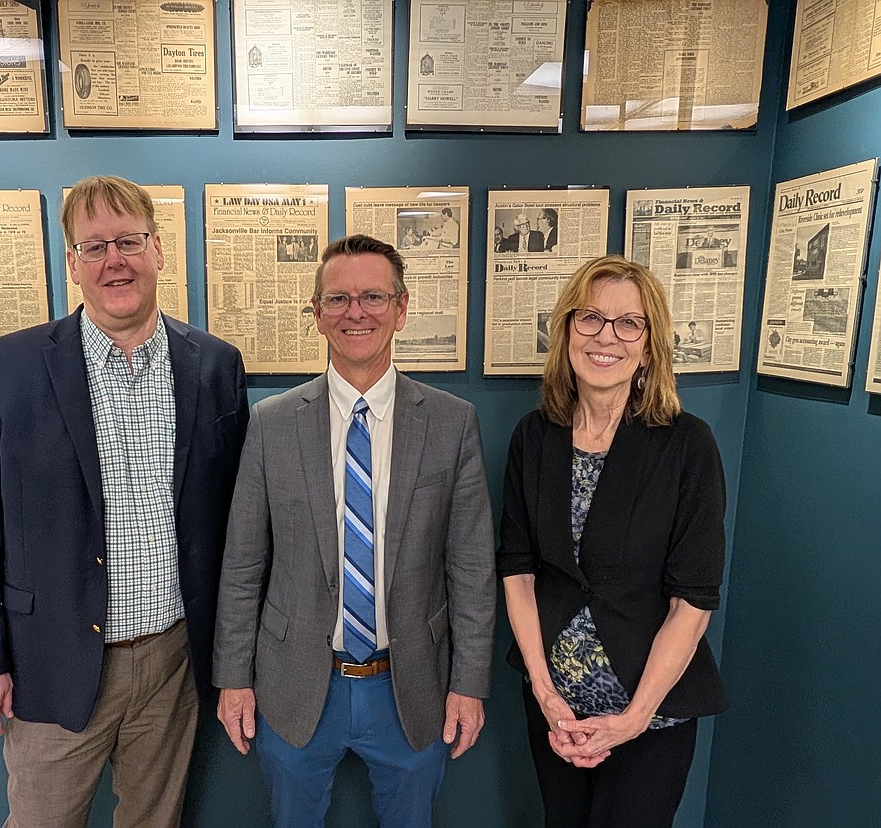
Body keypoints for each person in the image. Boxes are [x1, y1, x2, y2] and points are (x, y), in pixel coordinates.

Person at [0, 175, 250, 828]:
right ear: (72, 263)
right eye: (95, 246)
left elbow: (234, 521)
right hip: (51, 662)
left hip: (172, 661)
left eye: (129, 241)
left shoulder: (216, 366)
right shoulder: (8, 369)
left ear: (159, 250)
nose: (115, 260)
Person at [214, 234, 495, 827]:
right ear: (317, 314)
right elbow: (243, 565)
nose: (356, 312)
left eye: (373, 296)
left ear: (402, 307)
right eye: (338, 299)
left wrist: (470, 683)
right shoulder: (272, 424)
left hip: (411, 684)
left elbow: (471, 569)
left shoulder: (451, 423)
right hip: (295, 687)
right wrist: (234, 679)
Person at [497, 255, 729, 828]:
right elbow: (518, 571)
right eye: (591, 318)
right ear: (567, 330)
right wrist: (548, 696)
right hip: (555, 708)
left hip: (653, 716)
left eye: (630, 323)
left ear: (650, 345)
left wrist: (632, 718)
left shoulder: (686, 446)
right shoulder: (535, 436)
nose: (607, 337)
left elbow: (692, 601)